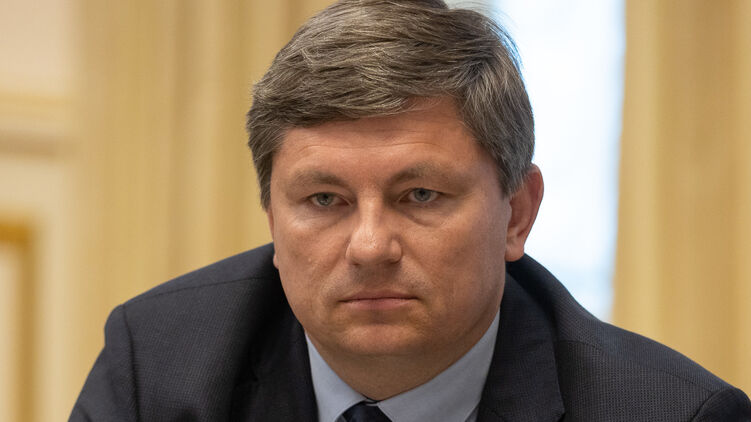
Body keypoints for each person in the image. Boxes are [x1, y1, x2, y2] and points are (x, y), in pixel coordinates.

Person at [70, 0, 751, 421]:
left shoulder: (672, 414)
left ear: (517, 214)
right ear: (272, 219)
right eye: (324, 200)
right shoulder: (160, 365)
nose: (370, 246)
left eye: (419, 195)